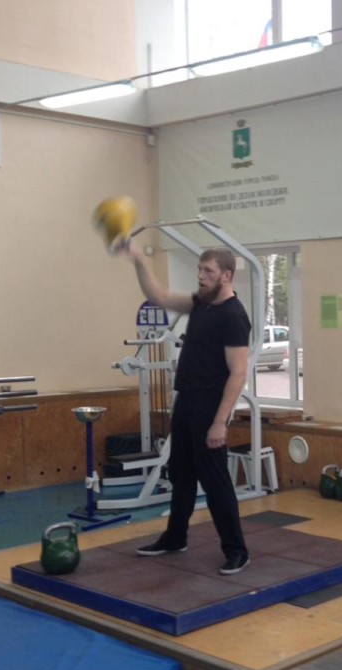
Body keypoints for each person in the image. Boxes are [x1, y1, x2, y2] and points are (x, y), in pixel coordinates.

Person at [118, 240, 252, 576]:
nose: (201, 276)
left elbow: (238, 373)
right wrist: (138, 259)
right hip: (187, 400)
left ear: (227, 275)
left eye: (208, 271)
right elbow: (160, 296)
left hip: (210, 405)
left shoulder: (233, 315)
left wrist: (220, 422)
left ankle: (237, 550)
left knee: (215, 480)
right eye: (199, 269)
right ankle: (175, 537)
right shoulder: (202, 303)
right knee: (181, 474)